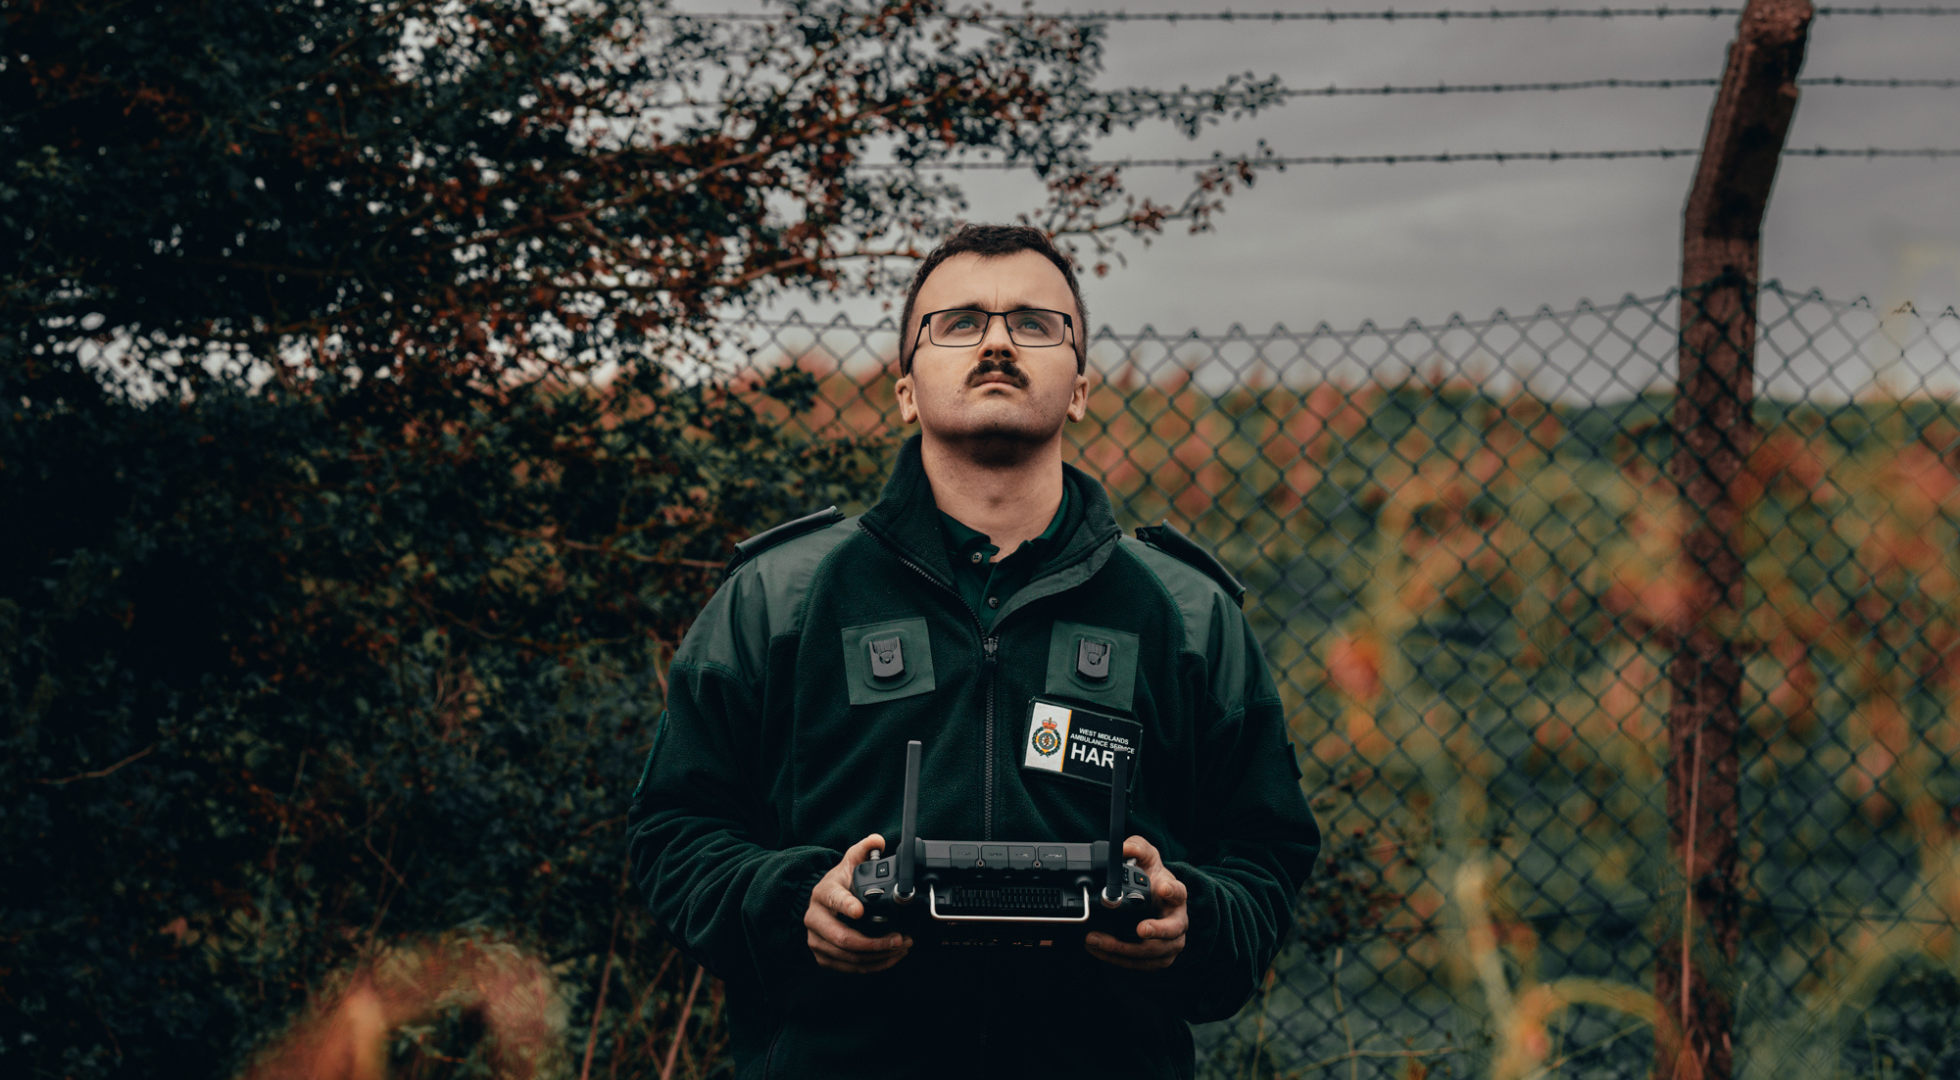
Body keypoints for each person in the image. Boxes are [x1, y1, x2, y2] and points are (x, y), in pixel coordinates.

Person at [627, 224, 1320, 1079]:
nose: (996, 339)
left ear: (1080, 389)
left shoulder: (1187, 613)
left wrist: (1194, 923)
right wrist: (793, 903)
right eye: (957, 323)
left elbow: (1266, 851)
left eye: (1035, 322)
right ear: (907, 390)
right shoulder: (779, 599)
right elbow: (675, 829)